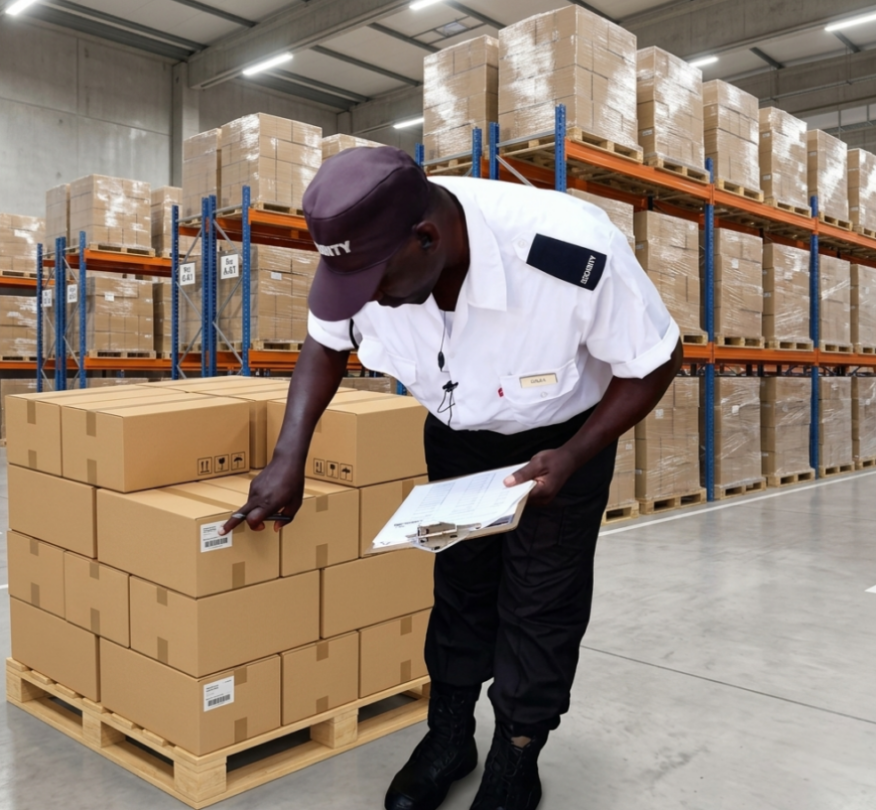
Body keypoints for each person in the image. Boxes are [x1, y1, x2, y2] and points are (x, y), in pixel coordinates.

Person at [218, 146, 682, 810]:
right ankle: (449, 736)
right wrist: (289, 456)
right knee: (460, 586)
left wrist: (577, 453)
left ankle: (517, 755)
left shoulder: (566, 252)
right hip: (458, 437)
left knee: (540, 605)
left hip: (559, 445)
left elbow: (655, 361)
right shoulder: (369, 256)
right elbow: (325, 343)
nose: (367, 299)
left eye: (376, 284)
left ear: (428, 239)